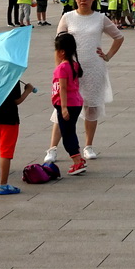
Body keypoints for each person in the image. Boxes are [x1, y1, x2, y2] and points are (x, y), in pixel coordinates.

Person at [45, 0, 125, 164]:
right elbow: (59, 46)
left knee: (91, 107)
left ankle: (88, 146)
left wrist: (107, 55)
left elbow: (118, 37)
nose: (83, 0)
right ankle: (52, 148)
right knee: (61, 108)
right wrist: (60, 69)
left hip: (93, 68)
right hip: (69, 69)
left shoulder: (100, 18)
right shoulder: (67, 17)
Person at [51, 32, 87, 175]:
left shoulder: (62, 67)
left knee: (67, 134)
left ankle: (77, 162)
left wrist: (64, 107)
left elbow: (63, 88)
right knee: (70, 131)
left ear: (62, 51)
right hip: (76, 103)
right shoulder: (74, 64)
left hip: (67, 104)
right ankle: (79, 158)